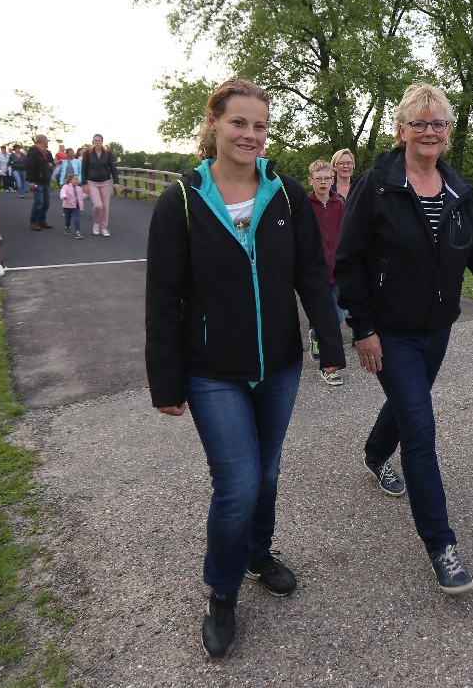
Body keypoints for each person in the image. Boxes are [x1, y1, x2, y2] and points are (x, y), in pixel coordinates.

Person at [145, 79, 346, 658]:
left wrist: (329, 343)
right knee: (236, 485)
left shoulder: (283, 193)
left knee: (268, 474)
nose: (250, 135)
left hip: (278, 365)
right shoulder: (182, 201)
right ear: (213, 123)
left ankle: (258, 554)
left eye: (260, 125)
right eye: (239, 122)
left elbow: (311, 274)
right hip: (212, 370)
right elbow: (163, 297)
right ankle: (223, 590)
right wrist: (165, 379)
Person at [334, 82, 473, 595]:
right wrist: (363, 328)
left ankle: (375, 453)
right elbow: (348, 261)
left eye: (438, 123)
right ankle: (441, 545)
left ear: (448, 131)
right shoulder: (377, 185)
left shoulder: (458, 191)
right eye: (418, 123)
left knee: (409, 403)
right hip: (389, 330)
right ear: (401, 131)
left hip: (437, 329)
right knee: (420, 428)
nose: (429, 131)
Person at [306, 159, 346, 386]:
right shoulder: (304, 205)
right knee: (325, 317)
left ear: (333, 180)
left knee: (338, 316)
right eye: (318, 178)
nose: (323, 182)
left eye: (327, 178)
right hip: (315, 271)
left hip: (337, 271)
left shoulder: (340, 204)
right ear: (310, 180)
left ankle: (315, 334)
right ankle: (329, 365)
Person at [81, 134, 119, 237]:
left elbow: (113, 168)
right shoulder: (88, 153)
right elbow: (83, 169)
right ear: (93, 142)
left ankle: (104, 228)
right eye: (95, 140)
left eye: (99, 140)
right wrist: (84, 183)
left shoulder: (107, 153)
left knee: (105, 207)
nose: (97, 142)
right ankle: (96, 224)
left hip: (106, 182)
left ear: (102, 142)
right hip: (92, 182)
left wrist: (116, 182)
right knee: (98, 205)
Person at [26, 134, 55, 231]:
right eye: (47, 140)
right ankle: (33, 221)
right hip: (37, 180)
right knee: (39, 202)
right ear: (43, 141)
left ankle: (41, 220)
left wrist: (51, 164)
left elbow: (51, 162)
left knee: (46, 203)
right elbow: (29, 167)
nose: (48, 142)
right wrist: (31, 181)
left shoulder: (47, 152)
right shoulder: (33, 152)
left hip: (45, 180)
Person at [60, 173, 87, 239]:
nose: (76, 181)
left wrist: (86, 193)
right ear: (70, 180)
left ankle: (77, 232)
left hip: (76, 206)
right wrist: (64, 196)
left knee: (76, 219)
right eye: (75, 179)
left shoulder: (79, 188)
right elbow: (62, 192)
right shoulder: (65, 186)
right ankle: (67, 227)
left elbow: (81, 197)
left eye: (77, 179)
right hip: (67, 206)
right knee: (67, 219)